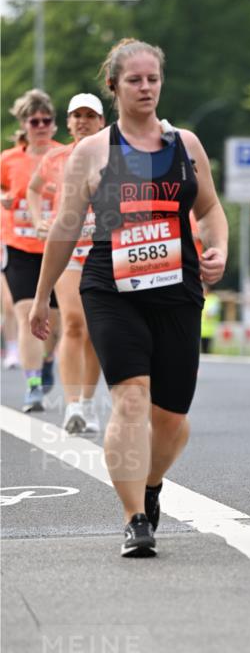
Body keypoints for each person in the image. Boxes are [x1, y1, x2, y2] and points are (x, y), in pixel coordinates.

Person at [30, 38, 228, 557]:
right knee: (131, 398)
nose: (145, 87)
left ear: (162, 83)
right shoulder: (93, 151)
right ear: (114, 86)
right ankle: (134, 517)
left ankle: (152, 483)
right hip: (111, 287)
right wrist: (41, 296)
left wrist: (219, 249)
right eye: (134, 79)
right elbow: (65, 228)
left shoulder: (185, 145)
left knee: (171, 420)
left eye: (153, 78)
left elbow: (209, 209)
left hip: (178, 287)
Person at [28, 93, 105, 433]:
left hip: (103, 250)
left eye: (90, 115)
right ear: (69, 121)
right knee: (74, 323)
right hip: (69, 249)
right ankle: (73, 405)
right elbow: (33, 189)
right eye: (77, 115)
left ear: (101, 122)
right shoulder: (56, 158)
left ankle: (88, 402)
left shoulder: (113, 156)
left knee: (95, 331)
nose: (83, 121)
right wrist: (39, 219)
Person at [1, 90, 62, 411]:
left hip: (56, 249)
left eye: (45, 120)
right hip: (20, 246)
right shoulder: (8, 160)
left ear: (53, 124)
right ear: (24, 125)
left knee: (54, 320)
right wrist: (3, 199)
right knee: (26, 315)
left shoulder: (64, 156)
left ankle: (49, 358)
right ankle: (33, 385)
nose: (39, 125)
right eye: (33, 120)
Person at [200, 284, 221, 353]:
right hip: (200, 330)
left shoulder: (213, 299)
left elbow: (210, 314)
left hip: (209, 331)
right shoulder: (201, 298)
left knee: (207, 351)